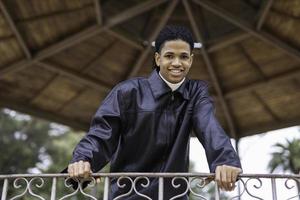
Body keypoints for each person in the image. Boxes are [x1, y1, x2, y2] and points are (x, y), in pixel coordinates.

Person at [67, 25, 242, 199]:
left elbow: (209, 125)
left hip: (175, 196)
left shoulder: (197, 92)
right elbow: (101, 133)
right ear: (158, 59)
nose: (176, 63)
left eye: (183, 57)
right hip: (127, 195)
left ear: (191, 60)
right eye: (169, 56)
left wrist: (225, 160)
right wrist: (83, 159)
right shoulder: (127, 91)